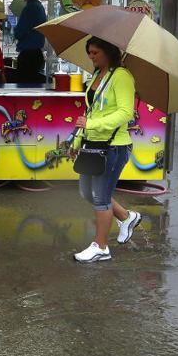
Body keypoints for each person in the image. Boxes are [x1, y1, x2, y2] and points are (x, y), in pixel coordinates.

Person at [72, 37, 142, 263]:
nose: (91, 57)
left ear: (108, 52)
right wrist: (77, 140)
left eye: (95, 53)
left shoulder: (121, 76)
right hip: (92, 143)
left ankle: (101, 247)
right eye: (89, 53)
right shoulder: (98, 75)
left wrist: (91, 125)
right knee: (86, 193)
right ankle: (126, 216)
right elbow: (92, 112)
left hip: (113, 146)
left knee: (100, 197)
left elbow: (125, 113)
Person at [8, 0, 48, 86]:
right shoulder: (40, 7)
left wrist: (15, 31)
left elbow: (20, 31)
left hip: (28, 55)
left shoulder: (30, 8)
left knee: (24, 85)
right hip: (37, 53)